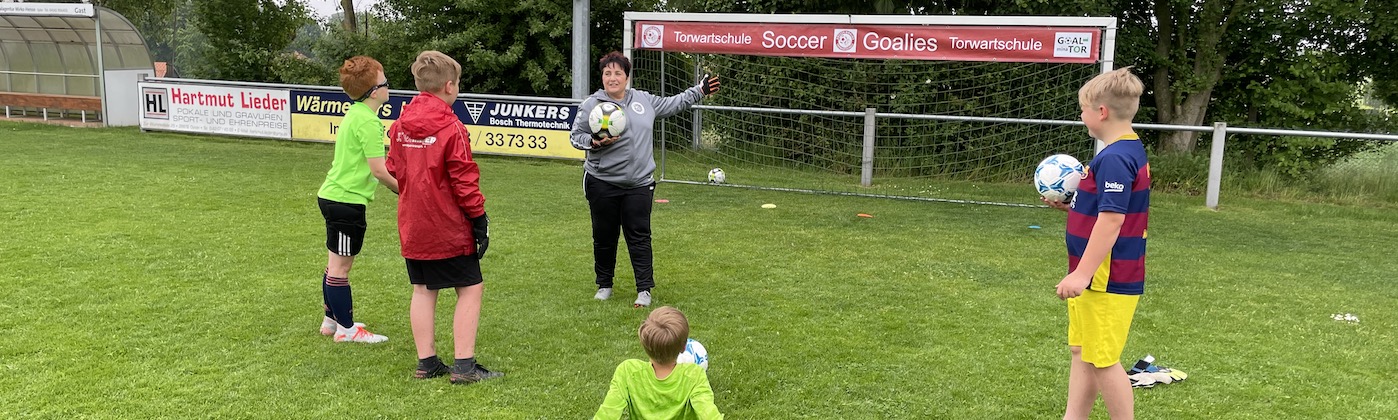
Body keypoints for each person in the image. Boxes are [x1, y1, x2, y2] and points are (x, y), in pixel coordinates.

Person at [570, 51, 721, 307]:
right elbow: (576, 137)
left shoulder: (643, 100)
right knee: (604, 236)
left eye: (618, 73)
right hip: (602, 182)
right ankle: (604, 285)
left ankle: (644, 290)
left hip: (639, 183)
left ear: (627, 77)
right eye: (608, 73)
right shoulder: (591, 105)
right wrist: (594, 142)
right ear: (602, 77)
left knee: (639, 236)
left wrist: (700, 90)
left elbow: (674, 103)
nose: (613, 77)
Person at [386, 50, 501, 384]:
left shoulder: (400, 124)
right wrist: (479, 219)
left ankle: (427, 362)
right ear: (449, 86)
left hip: (412, 223)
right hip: (447, 225)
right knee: (470, 288)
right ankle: (464, 366)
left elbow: (394, 169)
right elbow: (464, 179)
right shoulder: (453, 127)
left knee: (422, 288)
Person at [1044, 67, 1151, 420]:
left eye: (1083, 109)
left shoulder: (1116, 158)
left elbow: (1112, 220)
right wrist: (1073, 206)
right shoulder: (1123, 151)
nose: (1081, 115)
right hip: (1096, 277)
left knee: (1103, 360)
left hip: (1107, 279)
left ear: (1101, 112)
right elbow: (1106, 211)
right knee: (1083, 351)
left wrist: (1082, 275)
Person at [315, 55, 398, 343]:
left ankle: (331, 320)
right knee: (341, 268)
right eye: (385, 82)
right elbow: (379, 170)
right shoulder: (369, 123)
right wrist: (404, 190)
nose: (389, 87)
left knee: (333, 263)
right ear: (374, 91)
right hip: (346, 202)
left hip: (332, 196)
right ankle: (348, 331)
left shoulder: (355, 113)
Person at [594, 306, 723, 420]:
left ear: (643, 343)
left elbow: (608, 413)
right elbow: (708, 414)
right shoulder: (694, 375)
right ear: (684, 347)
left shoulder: (628, 371)